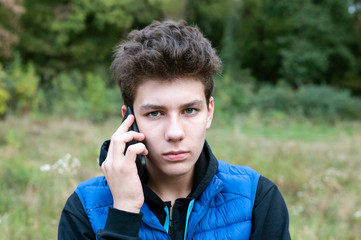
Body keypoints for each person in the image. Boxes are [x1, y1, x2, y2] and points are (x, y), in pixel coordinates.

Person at [58, 20, 291, 240]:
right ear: (129, 119)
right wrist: (125, 212)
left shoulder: (257, 198)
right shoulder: (83, 208)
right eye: (155, 113)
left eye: (189, 110)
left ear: (209, 112)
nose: (175, 133)